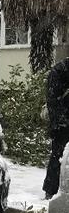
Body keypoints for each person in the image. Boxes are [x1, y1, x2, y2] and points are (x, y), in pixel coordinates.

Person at [43, 57, 69, 198]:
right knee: (58, 155)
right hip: (61, 122)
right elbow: (52, 101)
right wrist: (60, 122)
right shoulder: (59, 71)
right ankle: (50, 191)